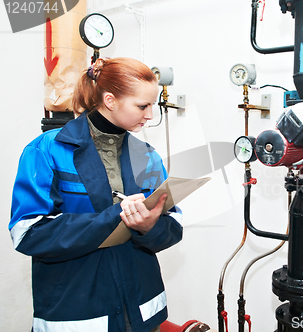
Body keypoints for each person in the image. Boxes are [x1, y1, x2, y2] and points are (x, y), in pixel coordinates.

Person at [9, 57, 183, 332]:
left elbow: (174, 225)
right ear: (111, 101)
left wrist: (150, 227)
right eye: (142, 106)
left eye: (153, 105)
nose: (150, 115)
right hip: (78, 314)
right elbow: (28, 232)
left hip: (142, 313)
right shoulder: (47, 150)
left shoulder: (147, 157)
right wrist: (114, 217)